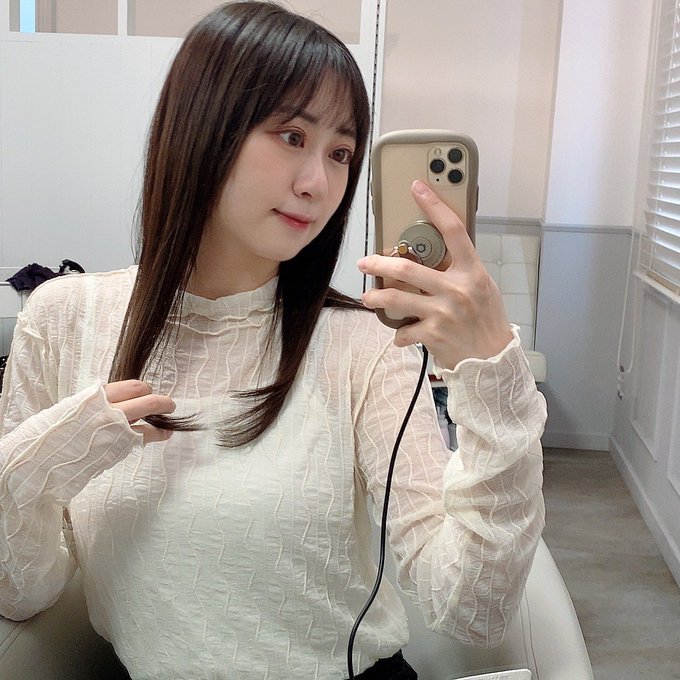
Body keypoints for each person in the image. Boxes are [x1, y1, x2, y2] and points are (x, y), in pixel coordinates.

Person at [0, 2, 547, 679]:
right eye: (291, 135)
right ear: (202, 128)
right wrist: (50, 454)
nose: (318, 184)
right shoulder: (62, 318)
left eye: (341, 153)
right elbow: (20, 591)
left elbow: (471, 609)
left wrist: (491, 371)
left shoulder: (363, 345)